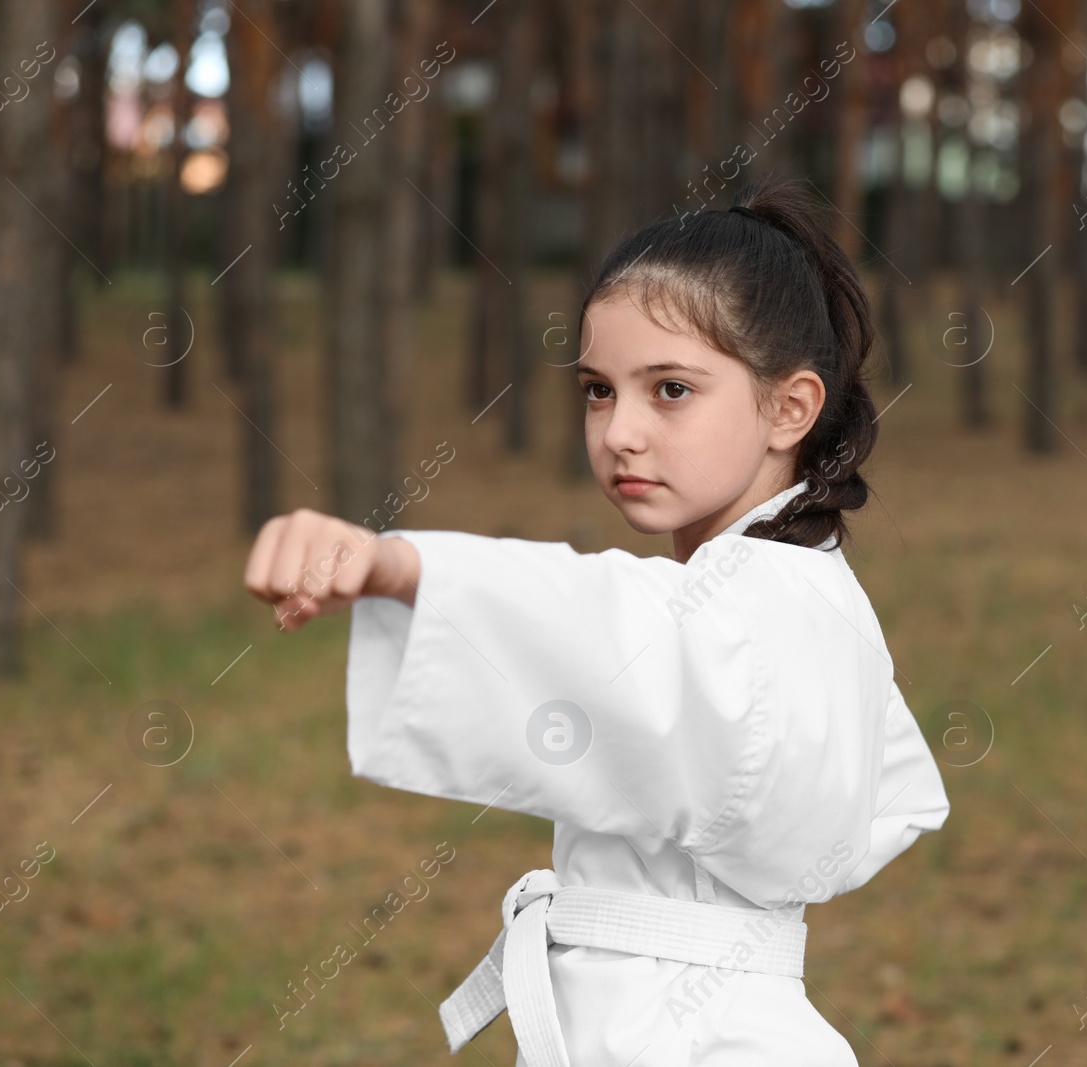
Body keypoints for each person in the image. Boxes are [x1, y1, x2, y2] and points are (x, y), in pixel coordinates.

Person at [243, 173, 949, 1066]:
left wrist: (400, 565)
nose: (620, 431)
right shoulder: (784, 592)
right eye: (598, 390)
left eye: (671, 390)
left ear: (789, 407)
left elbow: (615, 627)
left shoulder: (771, 606)